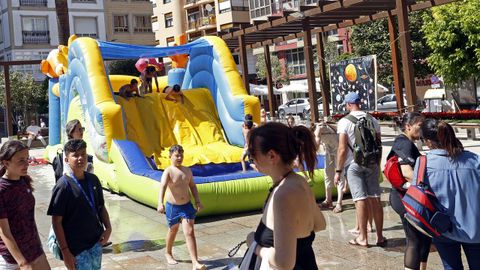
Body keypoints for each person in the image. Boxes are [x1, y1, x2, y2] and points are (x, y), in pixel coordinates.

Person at [245, 122, 326, 269]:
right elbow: (320, 224)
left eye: (252, 154)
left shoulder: (283, 194)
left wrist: (254, 244)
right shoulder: (299, 182)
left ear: (272, 156)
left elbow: (284, 262)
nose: (251, 158)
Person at [417, 119, 480, 270]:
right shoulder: (475, 160)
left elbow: (418, 197)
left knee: (451, 267)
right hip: (475, 227)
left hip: (443, 228)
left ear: (428, 142)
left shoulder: (423, 163)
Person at [47, 139, 112, 270]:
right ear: (66, 160)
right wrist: (65, 252)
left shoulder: (93, 180)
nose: (80, 158)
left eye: (83, 153)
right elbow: (56, 221)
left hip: (95, 242)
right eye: (75, 155)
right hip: (76, 248)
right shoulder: (63, 186)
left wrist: (108, 228)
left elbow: (101, 206)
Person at [335, 92, 385, 247]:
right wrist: (377, 163)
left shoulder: (344, 122)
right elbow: (379, 143)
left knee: (359, 199)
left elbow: (342, 149)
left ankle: (363, 237)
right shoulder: (373, 119)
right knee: (375, 197)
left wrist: (338, 171)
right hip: (372, 163)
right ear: (359, 102)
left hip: (354, 164)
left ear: (348, 104)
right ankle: (380, 236)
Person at [387, 112, 431, 270]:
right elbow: (406, 173)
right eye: (420, 125)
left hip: (408, 197)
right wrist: (427, 185)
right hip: (403, 198)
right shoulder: (404, 143)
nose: (423, 128)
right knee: (414, 240)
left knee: (424, 238)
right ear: (408, 126)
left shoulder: (407, 142)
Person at [0, 140, 51, 270]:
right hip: (13, 258)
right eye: (21, 160)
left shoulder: (24, 181)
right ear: (6, 163)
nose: (26, 164)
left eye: (27, 159)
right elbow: (4, 232)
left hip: (34, 251)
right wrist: (22, 263)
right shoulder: (2, 190)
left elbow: (30, 219)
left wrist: (39, 246)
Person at [157, 145, 205, 270]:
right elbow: (162, 186)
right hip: (173, 207)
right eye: (177, 155)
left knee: (189, 232)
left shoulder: (187, 170)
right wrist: (159, 203)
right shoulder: (168, 171)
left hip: (187, 206)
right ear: (170, 156)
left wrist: (198, 201)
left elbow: (193, 186)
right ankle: (168, 252)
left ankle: (195, 262)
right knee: (173, 230)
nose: (179, 158)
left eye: (181, 155)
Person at [315, 121, 346, 213]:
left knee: (340, 175)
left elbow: (316, 146)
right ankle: (328, 200)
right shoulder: (317, 130)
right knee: (327, 174)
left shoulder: (319, 129)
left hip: (338, 149)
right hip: (329, 150)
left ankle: (339, 203)